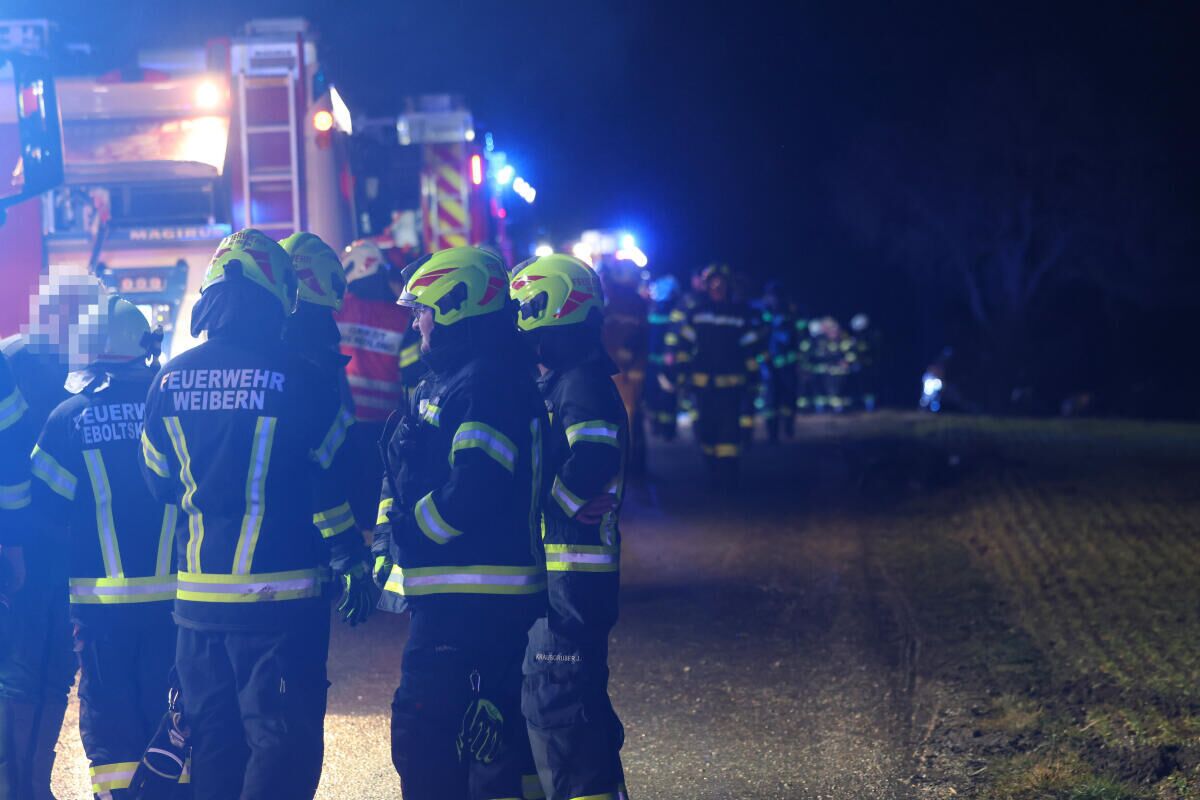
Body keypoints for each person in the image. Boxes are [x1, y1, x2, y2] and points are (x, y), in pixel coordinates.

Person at [139, 228, 367, 800]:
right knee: (280, 745)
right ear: (277, 296)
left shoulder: (168, 379)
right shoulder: (303, 381)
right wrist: (350, 554)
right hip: (280, 605)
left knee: (215, 746)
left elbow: (159, 482)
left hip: (198, 609)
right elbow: (330, 485)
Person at [372, 246, 545, 800]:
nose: (416, 323)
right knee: (457, 749)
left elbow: (475, 488)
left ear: (454, 306)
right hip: (461, 600)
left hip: (475, 604)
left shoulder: (483, 384)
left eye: (422, 310)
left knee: (432, 746)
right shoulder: (459, 379)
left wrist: (410, 533)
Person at [29, 296, 176, 799]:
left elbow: (44, 515)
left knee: (110, 723)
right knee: (171, 718)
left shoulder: (67, 419)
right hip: (177, 603)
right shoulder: (174, 410)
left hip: (99, 609)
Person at [509, 253, 629, 800]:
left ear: (551, 306)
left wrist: (552, 502)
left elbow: (595, 456)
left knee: (560, 704)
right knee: (565, 705)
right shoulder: (568, 378)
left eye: (523, 307)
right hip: (568, 576)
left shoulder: (579, 382)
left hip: (571, 577)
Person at [0, 273, 106, 800]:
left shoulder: (70, 366)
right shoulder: (19, 361)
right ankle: (19, 784)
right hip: (25, 539)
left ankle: (34, 782)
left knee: (54, 666)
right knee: (24, 666)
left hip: (56, 539)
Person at [335, 239, 411, 530]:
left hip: (347, 424)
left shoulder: (339, 309)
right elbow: (411, 374)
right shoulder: (402, 317)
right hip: (388, 426)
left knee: (351, 500)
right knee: (381, 500)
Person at [681, 263, 760, 485]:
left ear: (728, 285)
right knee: (706, 428)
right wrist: (680, 372)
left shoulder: (740, 314)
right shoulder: (697, 313)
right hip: (703, 384)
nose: (717, 287)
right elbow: (684, 345)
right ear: (706, 286)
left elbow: (750, 348)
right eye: (712, 283)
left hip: (732, 385)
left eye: (720, 283)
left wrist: (754, 378)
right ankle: (712, 471)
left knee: (729, 430)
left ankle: (729, 474)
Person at [643, 275, 684, 441]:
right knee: (657, 395)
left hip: (666, 361)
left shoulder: (670, 310)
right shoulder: (654, 308)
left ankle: (666, 428)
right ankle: (662, 427)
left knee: (667, 396)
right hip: (656, 360)